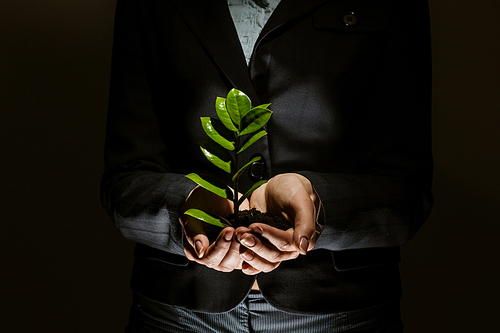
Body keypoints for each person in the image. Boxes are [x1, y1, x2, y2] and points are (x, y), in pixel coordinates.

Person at [101, 0, 433, 331]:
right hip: (179, 312)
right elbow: (125, 178)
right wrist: (188, 204)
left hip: (339, 312)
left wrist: (316, 201)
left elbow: (407, 189)